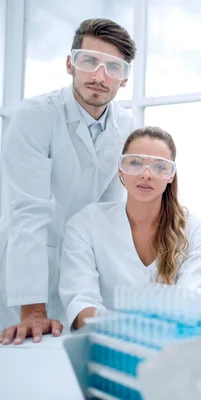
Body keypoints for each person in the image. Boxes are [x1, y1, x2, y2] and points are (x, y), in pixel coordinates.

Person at [0, 18, 136, 344]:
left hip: (79, 271)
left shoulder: (127, 127)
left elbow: (111, 216)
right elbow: (28, 212)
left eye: (113, 67)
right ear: (69, 64)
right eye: (89, 61)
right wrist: (31, 309)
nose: (99, 76)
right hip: (25, 271)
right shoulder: (34, 115)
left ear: (125, 79)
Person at [59, 127, 201, 330]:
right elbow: (81, 303)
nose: (146, 175)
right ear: (120, 168)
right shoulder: (85, 224)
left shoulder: (196, 231)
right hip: (104, 346)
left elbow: (189, 302)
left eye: (160, 167)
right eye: (135, 163)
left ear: (171, 175)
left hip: (169, 348)